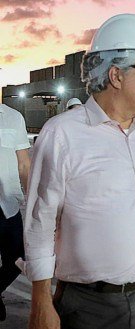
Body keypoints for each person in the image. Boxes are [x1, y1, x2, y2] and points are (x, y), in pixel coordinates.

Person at [18, 14, 135, 329]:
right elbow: (40, 223)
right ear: (116, 75)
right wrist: (40, 301)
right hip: (91, 306)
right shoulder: (62, 134)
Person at [0, 104, 30, 322]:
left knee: (20, 258)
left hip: (8, 206)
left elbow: (24, 165)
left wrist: (32, 200)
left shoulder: (13, 117)